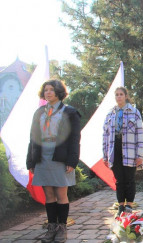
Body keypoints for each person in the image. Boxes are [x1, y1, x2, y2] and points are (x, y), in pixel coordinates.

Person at [26, 80, 81, 243]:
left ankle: (62, 229)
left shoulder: (70, 112)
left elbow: (75, 138)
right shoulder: (39, 112)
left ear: (59, 92)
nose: (48, 93)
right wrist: (31, 161)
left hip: (61, 157)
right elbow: (32, 138)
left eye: (51, 90)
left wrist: (72, 160)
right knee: (48, 194)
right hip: (42, 157)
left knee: (61, 194)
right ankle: (51, 228)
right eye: (45, 90)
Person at [103, 87, 143, 217]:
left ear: (126, 96)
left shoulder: (134, 112)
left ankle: (129, 206)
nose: (119, 97)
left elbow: (140, 134)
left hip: (130, 150)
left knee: (129, 179)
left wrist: (140, 155)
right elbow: (105, 135)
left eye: (121, 94)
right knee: (119, 180)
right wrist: (105, 154)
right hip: (115, 149)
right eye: (116, 95)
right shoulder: (110, 114)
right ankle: (121, 205)